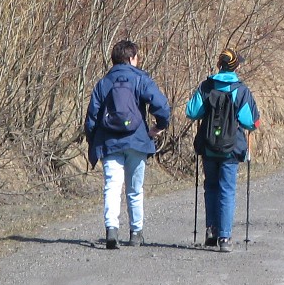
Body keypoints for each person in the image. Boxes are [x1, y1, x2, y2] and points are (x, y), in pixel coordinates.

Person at [85, 39, 170, 249]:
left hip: (109, 141)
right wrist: (158, 127)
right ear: (132, 58)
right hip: (137, 141)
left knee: (112, 186)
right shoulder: (141, 79)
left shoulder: (103, 83)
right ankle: (135, 233)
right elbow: (162, 107)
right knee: (134, 189)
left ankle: (111, 229)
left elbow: (91, 119)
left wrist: (94, 141)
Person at [186, 48, 260, 252]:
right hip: (231, 148)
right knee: (227, 190)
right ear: (236, 66)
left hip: (209, 147)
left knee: (210, 187)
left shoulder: (207, 86)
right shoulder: (241, 90)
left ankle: (211, 230)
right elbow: (251, 122)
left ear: (220, 65)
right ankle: (225, 238)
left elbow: (192, 112)